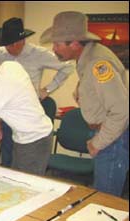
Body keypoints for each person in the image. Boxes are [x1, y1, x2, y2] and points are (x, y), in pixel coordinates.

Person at [40, 11, 129, 196]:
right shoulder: (86, 57)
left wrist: (98, 142)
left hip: (113, 137)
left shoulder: (97, 63)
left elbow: (121, 110)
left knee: (106, 199)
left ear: (74, 43)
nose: (54, 49)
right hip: (109, 133)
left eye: (57, 44)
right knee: (101, 193)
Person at [0, 17, 74, 167]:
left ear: (20, 42)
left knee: (26, 161)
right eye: (5, 45)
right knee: (8, 158)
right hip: (7, 114)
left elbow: (67, 67)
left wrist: (47, 90)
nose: (7, 49)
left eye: (10, 45)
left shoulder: (39, 54)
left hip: (28, 114)